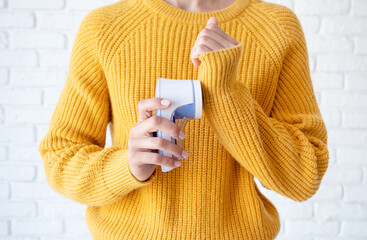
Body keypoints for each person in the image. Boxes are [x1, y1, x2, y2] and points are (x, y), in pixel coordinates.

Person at [38, 0, 329, 239]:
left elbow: (303, 177)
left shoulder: (277, 27)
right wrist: (127, 165)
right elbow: (60, 158)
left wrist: (225, 91)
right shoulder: (105, 27)